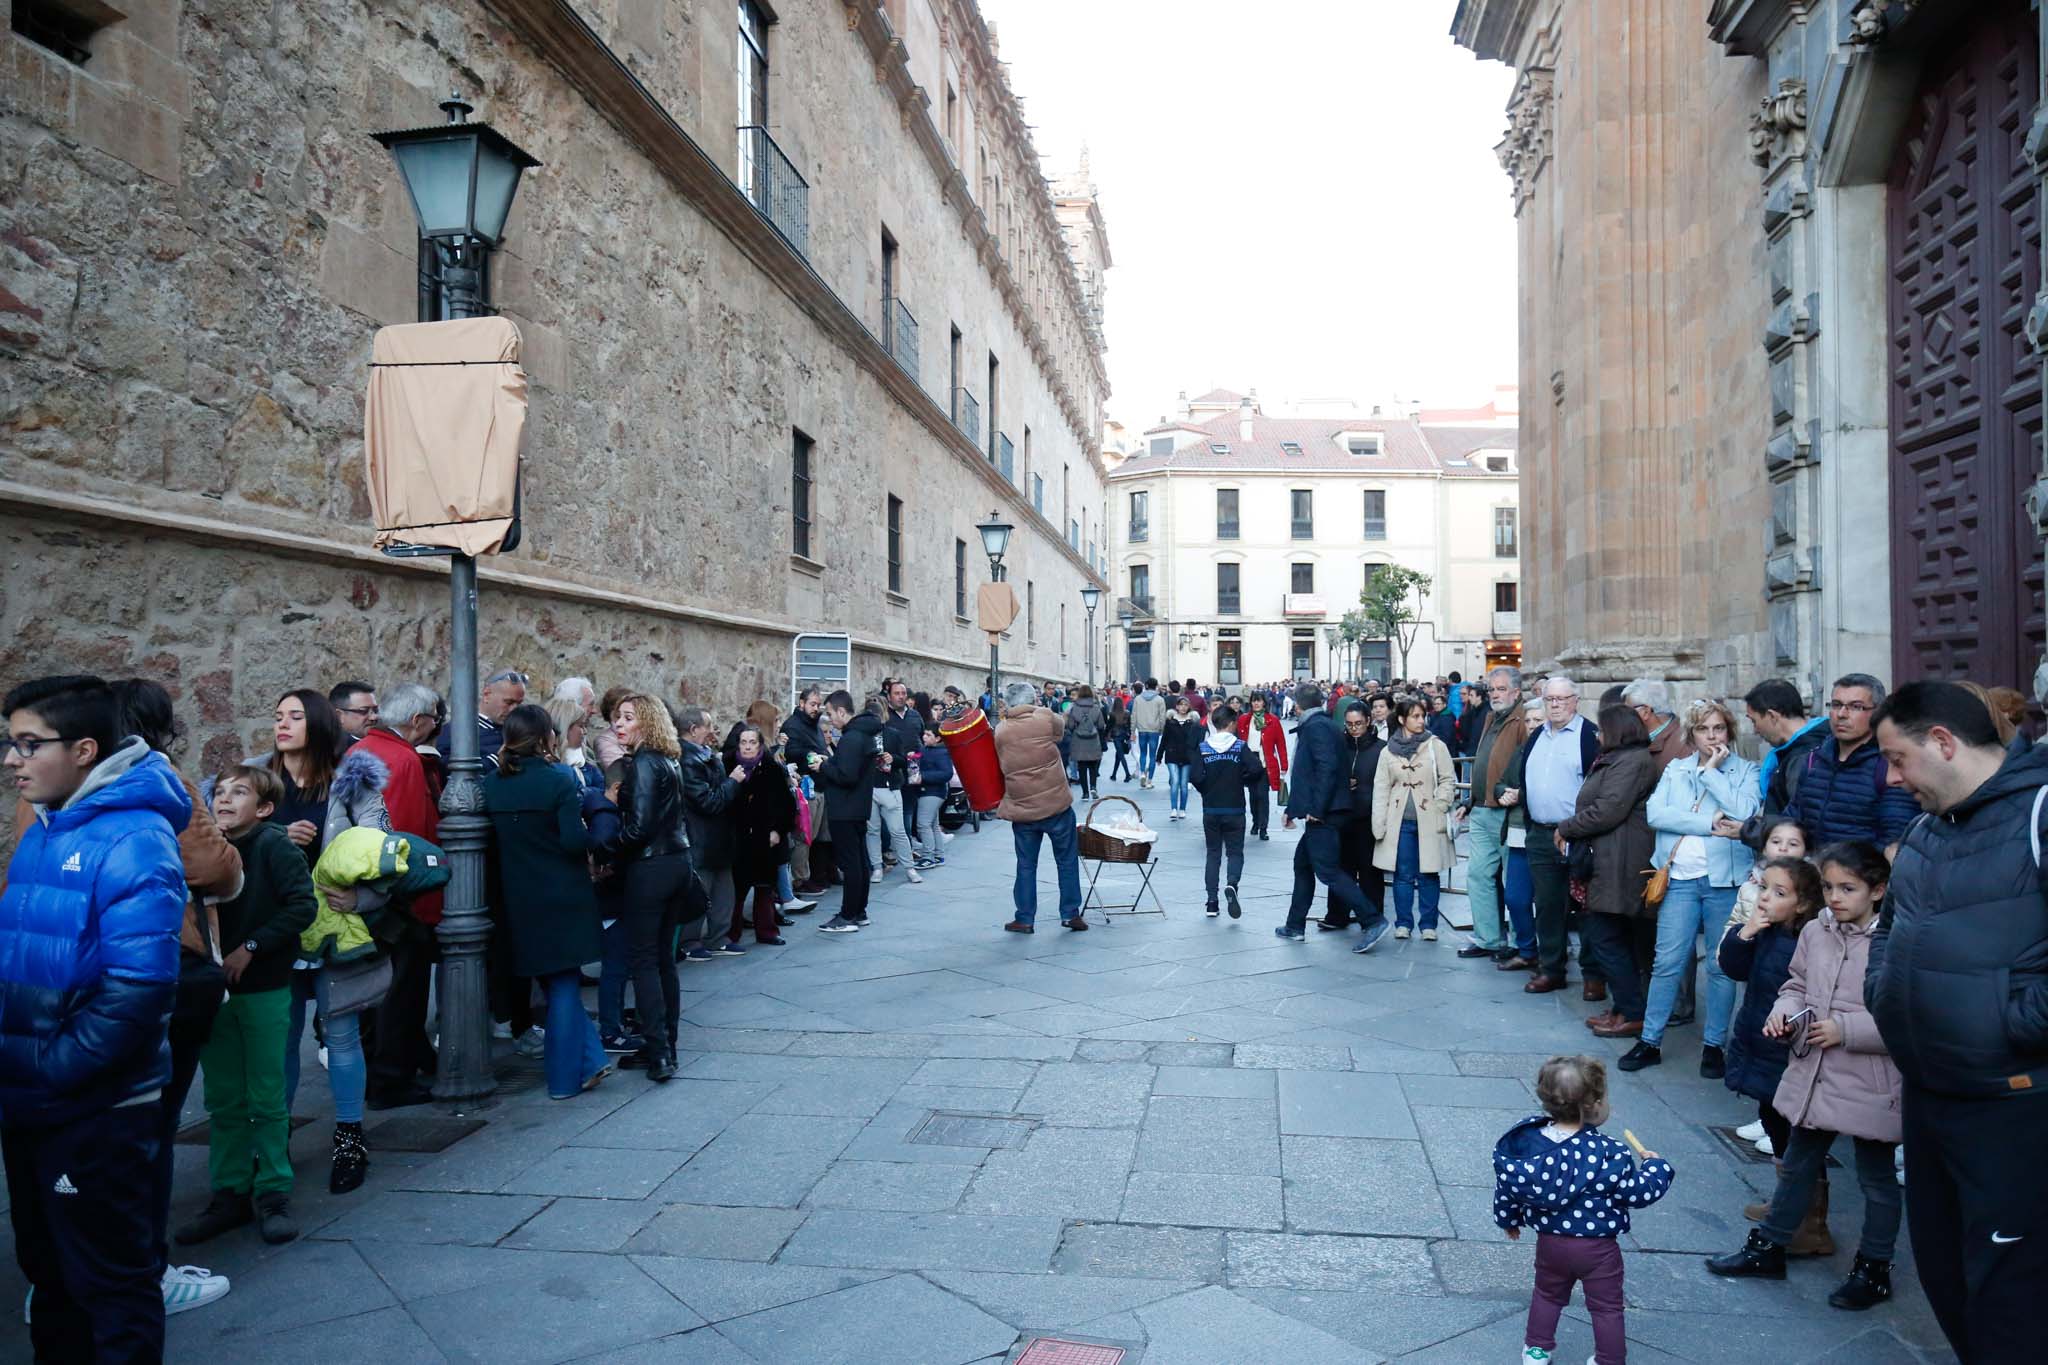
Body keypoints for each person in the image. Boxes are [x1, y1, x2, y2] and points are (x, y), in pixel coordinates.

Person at [0, 674, 189, 1362]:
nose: (13, 759)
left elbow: (137, 991)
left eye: (29, 744)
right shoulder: (46, 828)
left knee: (109, 1285)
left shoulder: (134, 837)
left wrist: (50, 1069)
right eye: (9, 742)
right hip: (33, 1101)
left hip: (93, 1111)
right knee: (51, 1277)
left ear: (84, 750)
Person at [1866, 681, 2048, 1360]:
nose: (1891, 778)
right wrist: (1884, 992)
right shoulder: (1924, 828)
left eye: (1898, 758)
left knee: (2011, 1299)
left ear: (1942, 742)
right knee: (1946, 1277)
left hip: (2013, 1103)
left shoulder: (2039, 812)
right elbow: (1889, 928)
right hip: (1929, 1094)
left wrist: (2011, 1023)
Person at [1708, 842, 1901, 1313]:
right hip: (1814, 1068)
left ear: (1877, 890)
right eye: (1830, 887)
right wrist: (1786, 1011)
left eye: (1848, 888)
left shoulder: (1896, 941)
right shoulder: (1817, 929)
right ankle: (1770, 1246)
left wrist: (1846, 1029)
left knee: (1876, 1178)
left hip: (1870, 1078)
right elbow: (1796, 984)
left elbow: (1908, 1014)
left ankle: (1873, 1269)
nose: (1836, 897)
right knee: (1798, 1161)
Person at [176, 766, 317, 1248]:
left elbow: (302, 906)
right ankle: (230, 1192)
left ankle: (273, 1190)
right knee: (223, 1098)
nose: (224, 799)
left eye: (239, 793)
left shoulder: (274, 845)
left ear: (264, 809)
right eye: (219, 792)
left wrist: (251, 947)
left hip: (264, 988)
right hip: (215, 993)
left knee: (266, 1095)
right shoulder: (206, 852)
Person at [1492, 1055, 1674, 1365]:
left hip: (1551, 1244)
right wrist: (1657, 1168)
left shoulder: (1529, 1147)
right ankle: (1609, 1359)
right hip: (1598, 1249)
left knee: (1547, 1295)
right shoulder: (1610, 1153)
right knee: (1606, 1307)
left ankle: (1536, 1351)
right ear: (1594, 1105)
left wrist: (1508, 1219)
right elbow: (1638, 1193)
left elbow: (1509, 1187)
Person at [482, 705, 611, 1100]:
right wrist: (598, 822)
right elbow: (573, 841)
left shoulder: (491, 783)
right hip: (561, 892)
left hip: (517, 895)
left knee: (556, 981)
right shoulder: (557, 779)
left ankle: (591, 1061)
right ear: (545, 738)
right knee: (565, 983)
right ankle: (563, 1079)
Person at [1626, 699, 1760, 1075]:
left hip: (1725, 881)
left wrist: (1713, 774)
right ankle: (1650, 1040)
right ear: (1692, 734)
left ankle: (1714, 1046)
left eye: (1718, 728)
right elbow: (1656, 814)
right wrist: (1706, 822)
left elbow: (1745, 814)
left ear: (1729, 732)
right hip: (1680, 879)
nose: (1712, 736)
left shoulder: (1746, 771)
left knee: (1719, 966)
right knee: (1667, 962)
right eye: (1703, 729)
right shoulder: (1676, 769)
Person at [1717, 854, 1830, 1245]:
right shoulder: (1766, 931)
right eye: (1764, 888)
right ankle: (1786, 1202)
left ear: (1802, 904)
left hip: (1787, 1048)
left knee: (1795, 1131)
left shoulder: (1807, 940)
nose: (1765, 897)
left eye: (1779, 893)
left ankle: (1810, 1220)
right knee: (1772, 1118)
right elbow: (1733, 967)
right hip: (1759, 1040)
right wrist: (1745, 932)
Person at [354, 683, 444, 1111]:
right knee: (401, 992)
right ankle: (391, 1079)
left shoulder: (361, 750)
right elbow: (403, 839)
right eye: (433, 719)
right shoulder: (404, 760)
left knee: (374, 993)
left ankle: (384, 1068)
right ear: (417, 720)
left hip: (363, 889)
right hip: (397, 899)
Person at [1557, 705, 1659, 1037]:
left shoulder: (1632, 762)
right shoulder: (1619, 760)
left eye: (1601, 729)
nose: (1597, 735)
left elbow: (1608, 810)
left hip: (1620, 863)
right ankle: (1623, 1007)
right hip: (1610, 859)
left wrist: (1566, 827)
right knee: (1613, 938)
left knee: (1606, 938)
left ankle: (1632, 1011)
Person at [613, 692, 697, 1078]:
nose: (619, 723)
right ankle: (664, 1045)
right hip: (676, 861)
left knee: (646, 960)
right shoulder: (667, 759)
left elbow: (640, 827)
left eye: (628, 717)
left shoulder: (646, 762)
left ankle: (660, 1051)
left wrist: (605, 848)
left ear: (646, 722)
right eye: (618, 717)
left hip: (652, 867)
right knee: (662, 958)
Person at [1279, 683, 1386, 948]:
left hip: (1324, 813)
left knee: (1328, 871)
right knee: (1303, 865)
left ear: (1297, 705)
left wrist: (1316, 809)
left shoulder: (1316, 727)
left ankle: (1372, 919)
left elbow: (1326, 768)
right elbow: (1319, 770)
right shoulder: (1325, 725)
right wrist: (1293, 809)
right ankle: (1294, 925)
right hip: (1326, 809)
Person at [1521, 676, 1602, 995]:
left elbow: (1598, 788)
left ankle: (1593, 974)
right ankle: (1551, 969)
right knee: (1547, 906)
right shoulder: (1536, 736)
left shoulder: (1589, 736)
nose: (1554, 705)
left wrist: (1583, 830)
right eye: (1549, 699)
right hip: (1541, 834)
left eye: (1561, 699)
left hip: (1578, 835)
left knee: (1588, 907)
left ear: (1575, 701)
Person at [1780, 673, 1918, 850]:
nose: (1842, 714)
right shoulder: (1815, 759)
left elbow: (1895, 838)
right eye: (1836, 705)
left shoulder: (1889, 766)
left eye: (1856, 707)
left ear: (1877, 712)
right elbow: (1793, 818)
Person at [993, 681, 1086, 933]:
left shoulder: (1001, 730)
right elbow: (1060, 731)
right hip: (1056, 804)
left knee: (1026, 864)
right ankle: (1070, 913)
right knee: (1067, 860)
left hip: (1023, 808)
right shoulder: (1044, 717)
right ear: (1033, 700)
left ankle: (1024, 918)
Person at [1458, 667, 1529, 962]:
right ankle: (1488, 938)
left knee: (1514, 883)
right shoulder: (1491, 717)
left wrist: (1515, 795)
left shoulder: (1523, 719)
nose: (1495, 694)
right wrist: (1470, 800)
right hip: (1482, 809)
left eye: (1501, 689)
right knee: (1478, 875)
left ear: (1516, 692)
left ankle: (1520, 942)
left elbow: (1525, 766)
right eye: (1492, 689)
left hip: (1507, 813)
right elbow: (1484, 763)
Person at [1372, 697, 1457, 941]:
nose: (1421, 721)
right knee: (1403, 875)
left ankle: (1429, 925)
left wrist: (1441, 804)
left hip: (1430, 819)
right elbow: (1381, 788)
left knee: (1429, 873)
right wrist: (1379, 822)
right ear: (1402, 719)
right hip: (1399, 822)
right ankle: (1403, 923)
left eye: (1423, 716)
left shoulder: (1435, 746)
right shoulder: (1388, 751)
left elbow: (1448, 778)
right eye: (1415, 716)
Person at [810, 690, 882, 933]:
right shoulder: (862, 734)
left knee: (851, 864)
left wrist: (823, 766)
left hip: (845, 808)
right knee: (859, 861)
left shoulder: (852, 737)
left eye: (830, 714)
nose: (830, 720)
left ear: (841, 711)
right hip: (857, 807)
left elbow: (846, 776)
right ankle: (859, 911)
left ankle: (848, 915)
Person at [677, 706, 746, 960]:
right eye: (707, 725)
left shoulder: (704, 755)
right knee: (701, 891)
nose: (712, 730)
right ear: (693, 729)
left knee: (723, 892)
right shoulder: (687, 761)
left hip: (717, 838)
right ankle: (689, 941)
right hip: (701, 837)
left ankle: (719, 938)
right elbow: (708, 802)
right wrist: (733, 781)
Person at [1320, 700, 1386, 931]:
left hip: (1369, 816)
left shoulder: (1382, 749)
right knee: (1341, 868)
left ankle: (1372, 917)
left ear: (1368, 721)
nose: (1354, 728)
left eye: (1358, 723)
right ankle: (1337, 915)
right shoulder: (1339, 747)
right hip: (1342, 816)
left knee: (1370, 871)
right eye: (1349, 724)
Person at [728, 726, 796, 947]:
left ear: (759, 745)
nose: (747, 747)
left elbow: (787, 805)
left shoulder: (771, 768)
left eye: (752, 742)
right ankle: (730, 934)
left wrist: (778, 831)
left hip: (765, 838)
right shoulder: (728, 766)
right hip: (737, 839)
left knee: (765, 887)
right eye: (743, 742)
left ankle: (766, 930)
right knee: (736, 890)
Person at [1195, 706, 1264, 919]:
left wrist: (1207, 789)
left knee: (1213, 853)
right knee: (1235, 852)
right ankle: (1232, 883)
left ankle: (1211, 902)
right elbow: (1256, 768)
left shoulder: (1204, 747)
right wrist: (1241, 780)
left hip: (1211, 808)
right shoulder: (1239, 746)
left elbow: (1195, 776)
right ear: (1232, 723)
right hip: (1234, 807)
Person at [1745, 678, 1828, 822]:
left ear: (1772, 716)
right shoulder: (1795, 751)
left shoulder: (1804, 757)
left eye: (1754, 721)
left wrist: (1748, 831)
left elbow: (1797, 822)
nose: (1755, 730)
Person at [867, 681, 921, 885]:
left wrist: (893, 759)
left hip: (890, 786)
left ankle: (909, 867)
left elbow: (903, 759)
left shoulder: (893, 734)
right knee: (873, 830)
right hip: (870, 786)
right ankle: (877, 867)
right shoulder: (863, 735)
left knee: (898, 830)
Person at [436, 666, 526, 771]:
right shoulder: (453, 733)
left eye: (519, 703)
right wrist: (497, 759)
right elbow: (446, 772)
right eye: (509, 702)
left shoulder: (520, 732)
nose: (514, 709)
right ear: (487, 695)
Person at [1236, 692, 1288, 840]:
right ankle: (1255, 822)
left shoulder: (1273, 720)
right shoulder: (1244, 719)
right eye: (1254, 701)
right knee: (1253, 796)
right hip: (1249, 762)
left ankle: (1263, 828)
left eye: (1259, 701)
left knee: (1263, 796)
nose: (1256, 704)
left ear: (1264, 703)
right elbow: (1238, 741)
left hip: (1265, 763)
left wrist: (1284, 765)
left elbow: (1281, 744)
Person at [1623, 679, 1692, 774]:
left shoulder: (1685, 742)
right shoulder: (1638, 738)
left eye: (1626, 711)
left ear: (1645, 712)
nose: (1623, 717)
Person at [911, 722, 953, 871]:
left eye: (928, 735)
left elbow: (946, 773)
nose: (924, 737)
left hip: (933, 792)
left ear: (938, 738)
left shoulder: (942, 752)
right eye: (924, 734)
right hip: (928, 791)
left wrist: (923, 777)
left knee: (923, 824)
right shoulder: (926, 749)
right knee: (933, 825)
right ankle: (939, 855)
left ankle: (928, 857)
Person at [1160, 691, 1202, 821]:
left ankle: (1182, 809)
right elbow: (1164, 739)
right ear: (1177, 706)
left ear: (1189, 707)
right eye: (1181, 705)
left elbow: (1197, 741)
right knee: (1175, 781)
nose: (1183, 707)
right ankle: (1173, 808)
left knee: (1184, 784)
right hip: (1172, 754)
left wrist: (1197, 757)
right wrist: (1159, 756)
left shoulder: (1193, 722)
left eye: (1185, 705)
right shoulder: (1170, 721)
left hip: (1187, 756)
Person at [1064, 684, 1106, 801]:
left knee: (1081, 767)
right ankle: (1093, 787)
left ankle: (1085, 793)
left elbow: (1070, 725)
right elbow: (1101, 725)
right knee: (1093, 766)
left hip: (1079, 740)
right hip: (1093, 740)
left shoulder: (1074, 707)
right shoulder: (1096, 707)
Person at [328, 680, 379, 748]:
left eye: (375, 710)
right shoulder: (331, 750)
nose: (374, 717)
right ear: (339, 716)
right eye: (363, 711)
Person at [1106, 697, 1134, 783]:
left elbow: (1109, 726)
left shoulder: (1112, 714)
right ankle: (1114, 774)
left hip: (1116, 735)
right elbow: (1129, 725)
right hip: (1124, 735)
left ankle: (1127, 774)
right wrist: (1129, 735)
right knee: (1118, 754)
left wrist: (1105, 735)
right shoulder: (1127, 713)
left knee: (1120, 755)